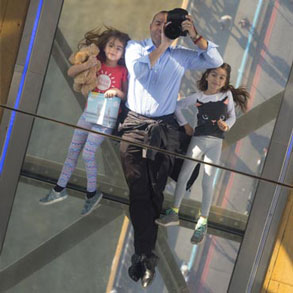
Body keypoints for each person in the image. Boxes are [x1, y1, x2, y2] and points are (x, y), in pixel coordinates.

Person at [119, 10, 223, 288]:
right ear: (149, 25)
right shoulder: (134, 48)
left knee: (153, 191)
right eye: (157, 23)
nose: (162, 28)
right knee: (138, 188)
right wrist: (165, 43)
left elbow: (215, 60)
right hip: (134, 126)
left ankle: (144, 255)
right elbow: (141, 72)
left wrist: (194, 35)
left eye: (168, 25)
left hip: (163, 130)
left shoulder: (179, 57)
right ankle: (145, 255)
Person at [39, 27, 130, 216]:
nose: (113, 50)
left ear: (124, 53)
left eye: (119, 48)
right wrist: (88, 64)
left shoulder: (123, 71)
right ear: (104, 46)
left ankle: (92, 194)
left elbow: (127, 96)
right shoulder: (97, 63)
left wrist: (117, 93)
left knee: (88, 154)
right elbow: (72, 71)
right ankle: (58, 189)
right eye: (111, 45)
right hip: (89, 113)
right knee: (73, 150)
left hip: (106, 119)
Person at [156, 63, 250, 245]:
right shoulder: (198, 97)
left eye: (221, 77)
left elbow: (232, 116)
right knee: (184, 176)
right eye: (214, 75)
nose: (217, 79)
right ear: (206, 76)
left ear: (225, 82)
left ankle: (203, 221)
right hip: (198, 139)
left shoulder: (226, 95)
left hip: (215, 143)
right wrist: (185, 125)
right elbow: (177, 106)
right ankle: (174, 212)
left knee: (208, 181)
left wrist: (227, 126)